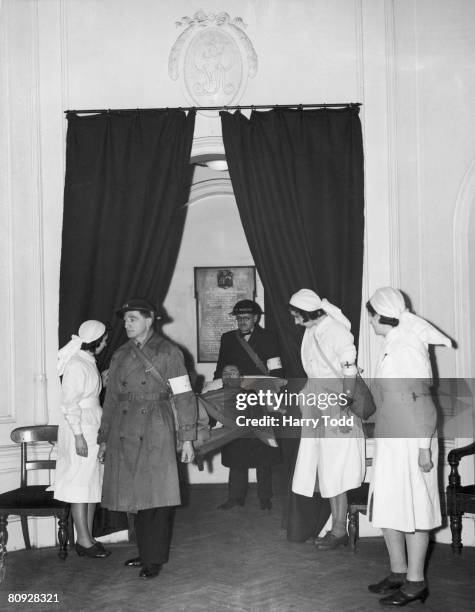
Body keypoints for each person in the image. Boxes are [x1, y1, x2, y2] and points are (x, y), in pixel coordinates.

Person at [97, 298, 197, 579]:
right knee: (135, 495)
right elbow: (112, 400)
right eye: (126, 320)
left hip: (157, 425)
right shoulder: (120, 355)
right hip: (125, 427)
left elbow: (184, 396)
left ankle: (154, 558)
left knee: (157, 494)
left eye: (133, 319)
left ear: (150, 319)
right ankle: (145, 550)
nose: (127, 324)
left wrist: (187, 438)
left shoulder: (169, 352)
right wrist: (104, 438)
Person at [366, 287, 452, 606]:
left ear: (379, 315)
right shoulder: (392, 343)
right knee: (389, 505)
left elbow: (421, 402)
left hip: (413, 441)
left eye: (371, 316)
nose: (371, 322)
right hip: (391, 438)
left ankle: (416, 582)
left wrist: (423, 448)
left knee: (415, 509)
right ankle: (398, 572)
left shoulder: (407, 347)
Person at [289, 289, 365, 550]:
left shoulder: (336, 330)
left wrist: (344, 404)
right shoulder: (311, 331)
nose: (295, 321)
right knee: (325, 467)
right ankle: (336, 528)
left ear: (309, 312)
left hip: (337, 406)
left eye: (297, 315)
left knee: (336, 469)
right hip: (317, 405)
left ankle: (338, 530)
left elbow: (349, 369)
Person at [214, 300, 283, 510]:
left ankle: (265, 497)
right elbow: (220, 370)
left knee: (263, 448)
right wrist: (216, 392)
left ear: (256, 318)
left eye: (246, 318)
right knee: (236, 449)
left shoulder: (269, 338)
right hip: (236, 401)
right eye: (238, 318)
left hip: (260, 401)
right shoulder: (228, 339)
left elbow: (276, 371)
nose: (242, 321)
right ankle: (235, 497)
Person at [53, 320, 110, 559]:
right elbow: (69, 404)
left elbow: (87, 393)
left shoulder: (87, 362)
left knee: (89, 482)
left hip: (91, 425)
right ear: (97, 341)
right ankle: (84, 541)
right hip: (80, 430)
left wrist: (102, 383)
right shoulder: (77, 364)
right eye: (105, 339)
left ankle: (86, 538)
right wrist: (78, 436)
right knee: (79, 483)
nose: (106, 342)